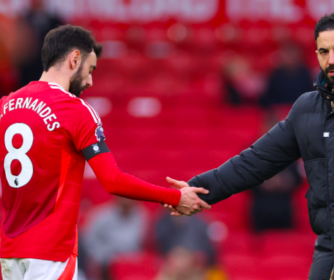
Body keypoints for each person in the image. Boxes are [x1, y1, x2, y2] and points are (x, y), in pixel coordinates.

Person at [165, 13, 334, 280]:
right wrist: (198, 189)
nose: (331, 60)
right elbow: (255, 162)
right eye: (324, 51)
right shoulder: (305, 109)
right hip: (329, 251)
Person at [0, 25, 210, 280]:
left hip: (8, 251)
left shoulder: (6, 104)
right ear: (74, 59)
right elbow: (113, 181)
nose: (89, 81)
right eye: (90, 69)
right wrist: (175, 197)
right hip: (49, 251)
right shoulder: (75, 110)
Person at [84, 198, 149, 280]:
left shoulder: (142, 215)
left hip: (131, 265)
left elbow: (142, 245)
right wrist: (109, 258)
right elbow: (90, 244)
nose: (127, 199)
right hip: (106, 266)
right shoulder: (100, 215)